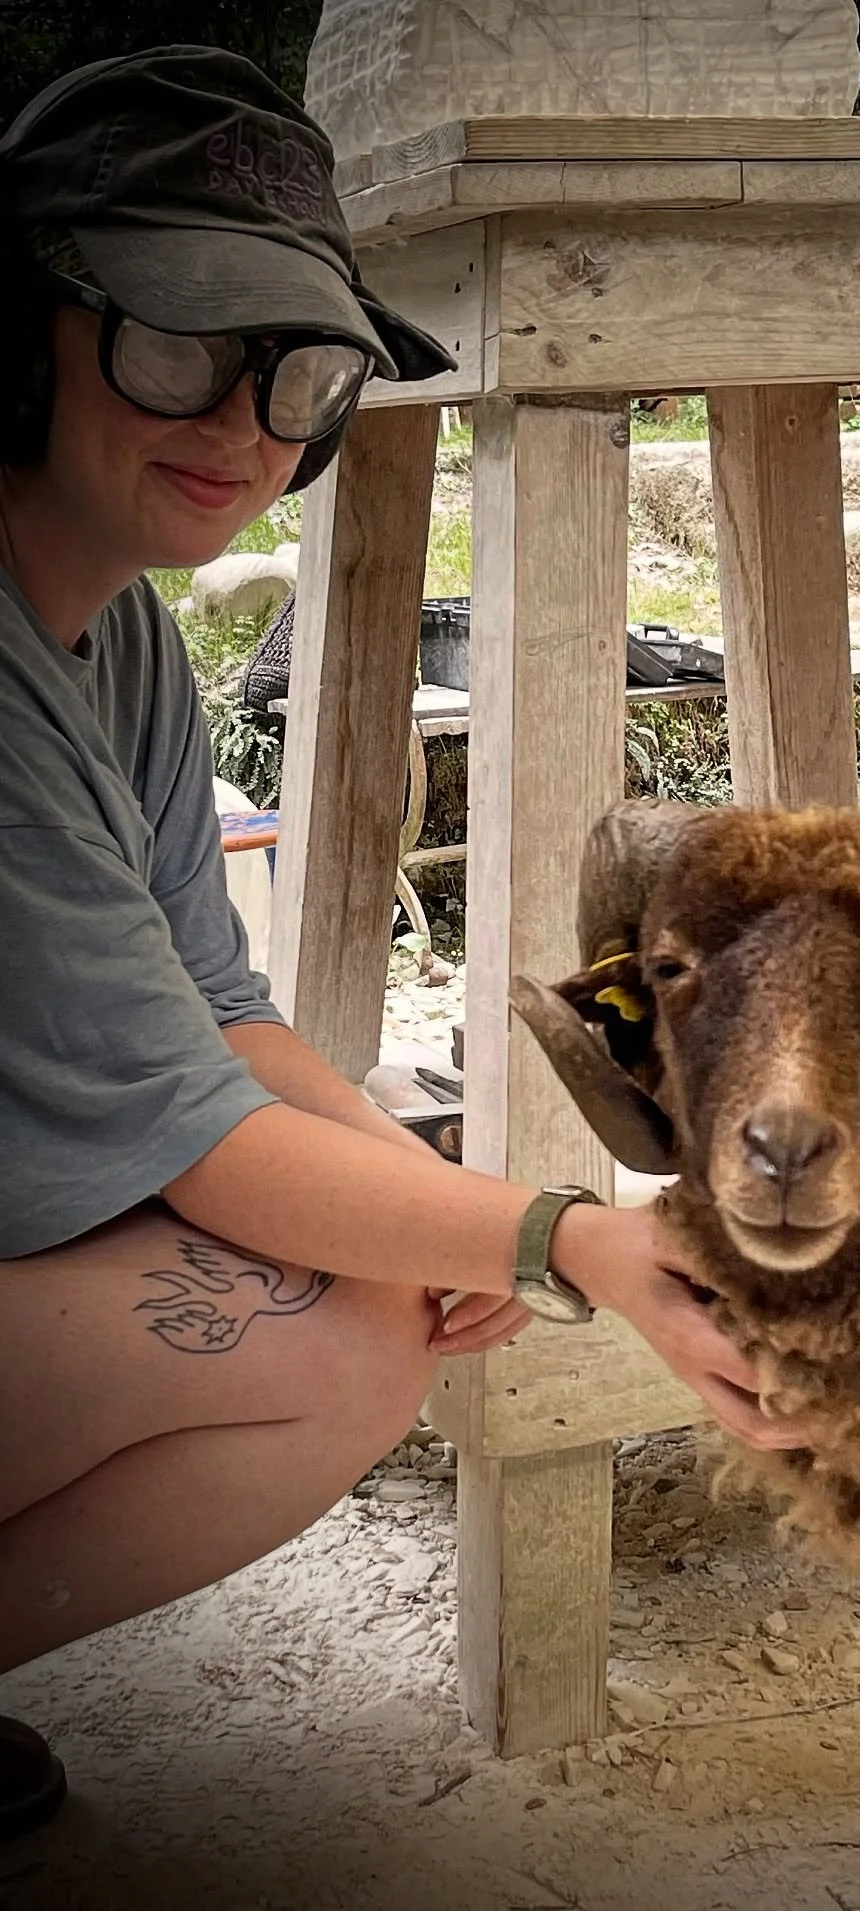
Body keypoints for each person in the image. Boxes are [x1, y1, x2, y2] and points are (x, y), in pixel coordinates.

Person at [0, 46, 807, 1839]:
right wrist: (562, 1237)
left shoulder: (106, 630)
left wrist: (417, 1195)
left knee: (362, 1321)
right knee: (326, 1334)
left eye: (293, 367)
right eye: (171, 341)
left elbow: (219, 1014)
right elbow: (197, 1136)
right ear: (18, 330)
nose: (241, 423)